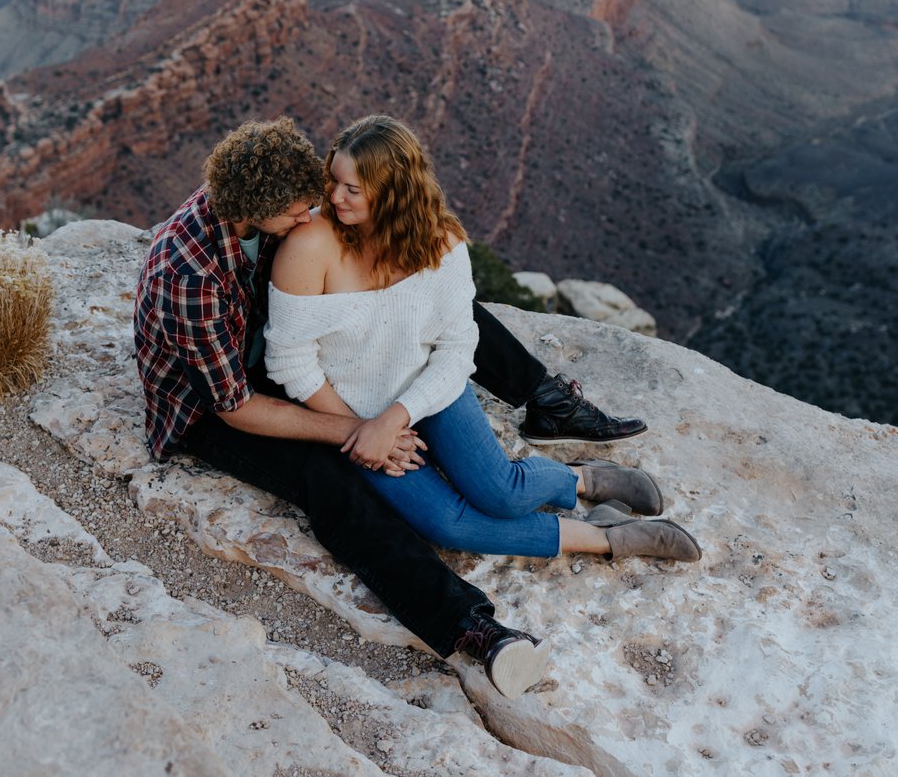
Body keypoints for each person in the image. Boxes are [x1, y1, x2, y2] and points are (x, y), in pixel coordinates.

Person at [133, 117, 658, 700]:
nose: (319, 213)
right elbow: (236, 405)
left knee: (426, 311)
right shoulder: (191, 275)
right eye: (303, 210)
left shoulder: (277, 209)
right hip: (216, 405)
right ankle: (472, 628)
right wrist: (360, 431)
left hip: (295, 362)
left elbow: (433, 317)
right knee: (333, 485)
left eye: (329, 194)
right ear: (259, 211)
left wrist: (394, 413)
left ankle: (546, 406)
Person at [265, 114, 701, 566]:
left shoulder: (440, 241)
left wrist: (398, 416)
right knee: (446, 524)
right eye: (333, 180)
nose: (334, 198)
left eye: (352, 189)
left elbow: (457, 348)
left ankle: (580, 481)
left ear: (394, 191)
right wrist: (362, 430)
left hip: (428, 391)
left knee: (503, 494)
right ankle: (613, 535)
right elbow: (291, 364)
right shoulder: (309, 246)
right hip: (351, 412)